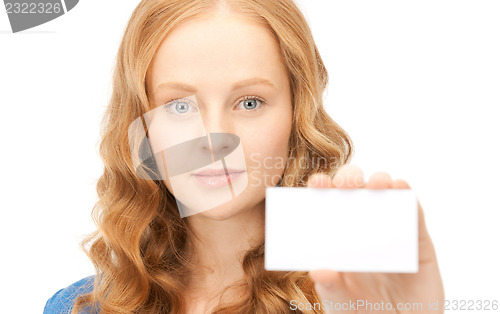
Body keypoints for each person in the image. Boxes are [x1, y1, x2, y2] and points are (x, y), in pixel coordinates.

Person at [44, 0, 444, 313]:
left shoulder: (354, 298)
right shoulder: (77, 308)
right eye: (180, 107)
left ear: (296, 113)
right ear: (143, 125)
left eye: (249, 102)